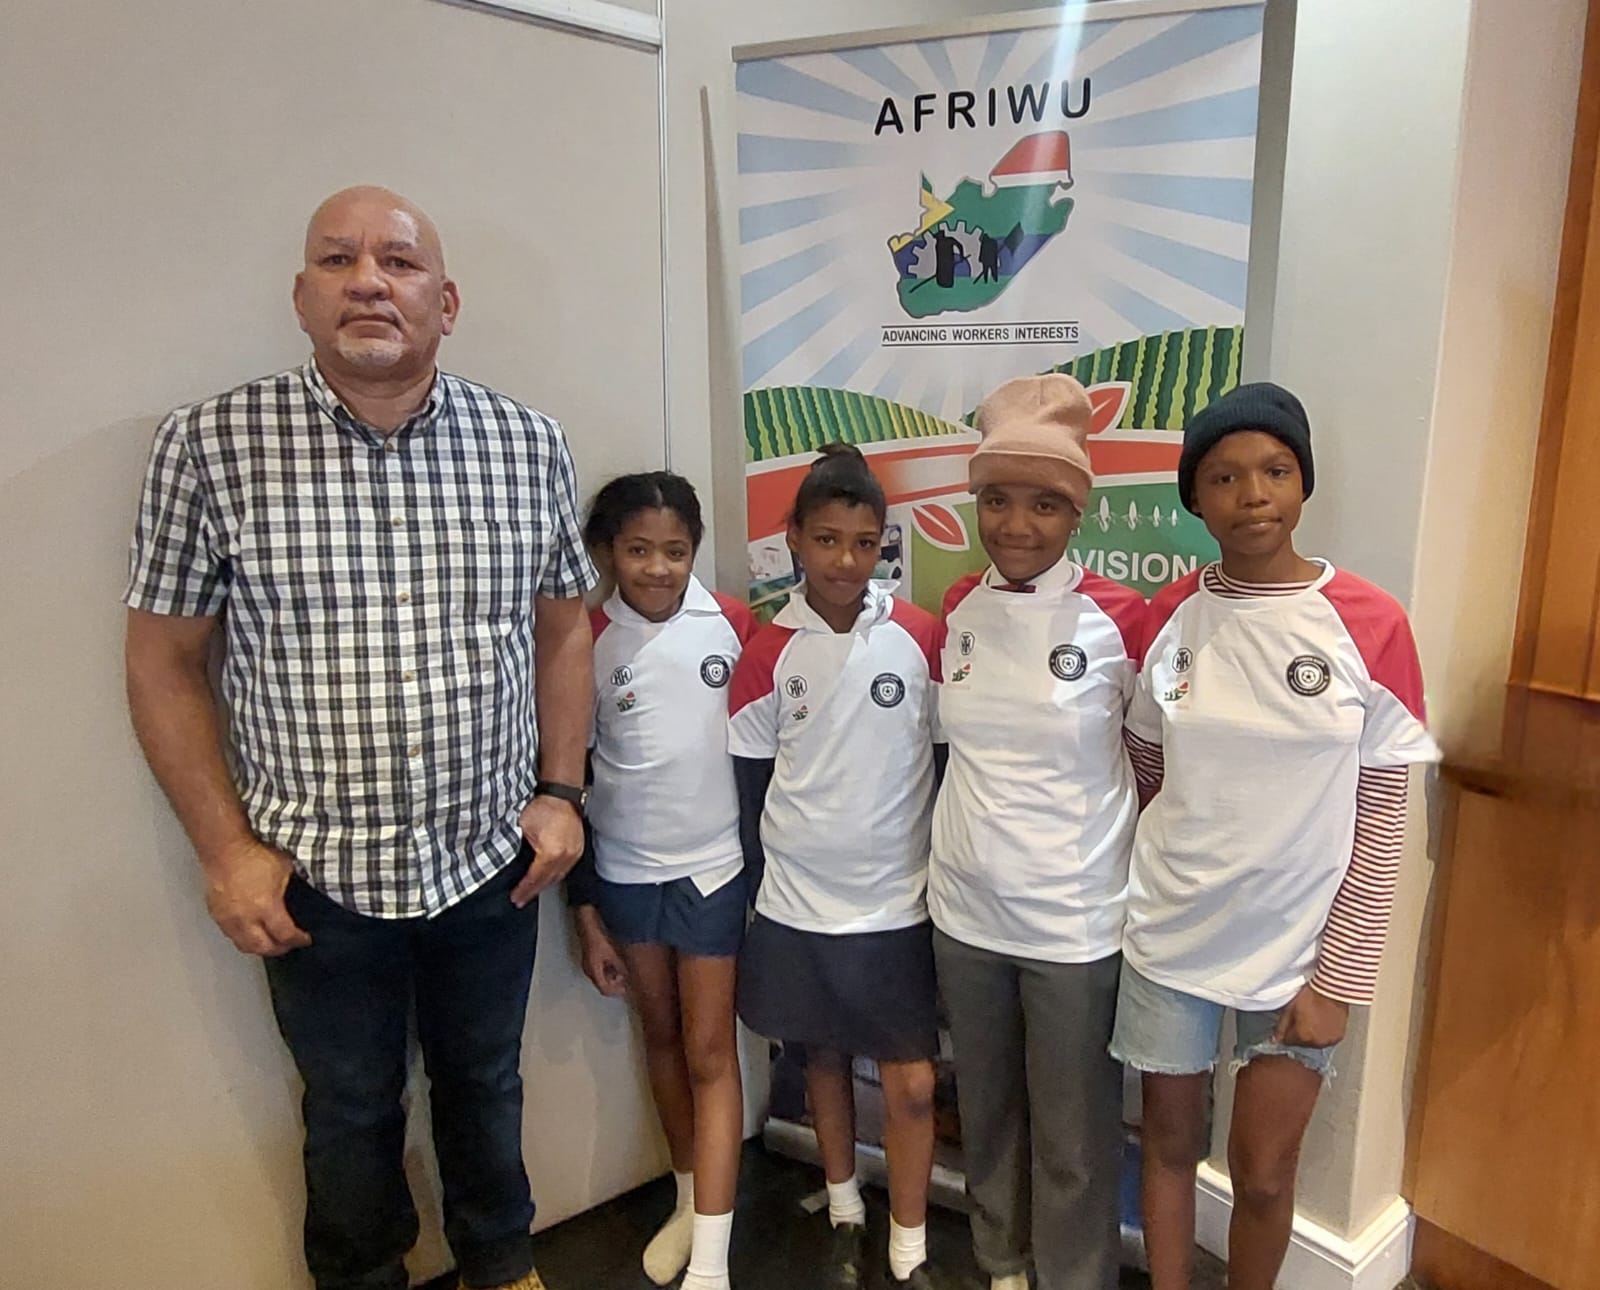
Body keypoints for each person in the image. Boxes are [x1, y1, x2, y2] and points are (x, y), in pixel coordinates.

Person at [122, 186, 597, 1290]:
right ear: (302, 297)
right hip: (312, 876)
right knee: (346, 1110)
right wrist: (225, 852)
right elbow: (162, 663)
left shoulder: (526, 443)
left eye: (399, 262)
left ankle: (501, 1264)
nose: (370, 281)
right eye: (338, 261)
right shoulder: (209, 447)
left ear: (447, 302)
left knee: (487, 1082)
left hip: (489, 859)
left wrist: (561, 793)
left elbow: (565, 627)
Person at [1113, 383, 1439, 1290]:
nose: (1252, 495)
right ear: (1194, 497)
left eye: (1275, 470)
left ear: (1303, 483)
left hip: (1299, 958)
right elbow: (1148, 764)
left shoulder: (1371, 624)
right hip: (1171, 939)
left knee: (1262, 1173)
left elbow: (1383, 819)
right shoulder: (1168, 616)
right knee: (1167, 1145)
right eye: (1223, 477)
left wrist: (1341, 975)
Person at [929, 374, 1145, 1290]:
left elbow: (1154, 762)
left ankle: (1073, 1278)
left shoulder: (1123, 620)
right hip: (965, 913)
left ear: (1077, 512)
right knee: (986, 1113)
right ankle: (1000, 1264)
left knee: (1074, 1136)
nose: (1017, 524)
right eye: (997, 500)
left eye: (1045, 504)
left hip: (1074, 922)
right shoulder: (955, 609)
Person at [728, 444, 949, 1290]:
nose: (846, 561)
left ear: (883, 542)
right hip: (798, 902)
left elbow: (945, 766)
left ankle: (910, 1245)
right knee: (818, 1057)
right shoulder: (767, 651)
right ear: (793, 538)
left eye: (864, 543)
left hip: (898, 903)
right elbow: (750, 787)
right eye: (827, 540)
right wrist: (758, 890)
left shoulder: (921, 637)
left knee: (913, 1083)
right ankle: (845, 1206)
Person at [566, 472, 754, 1290]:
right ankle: (687, 1202)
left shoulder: (733, 626)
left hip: (714, 870)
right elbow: (568, 775)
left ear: (694, 551)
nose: (658, 568)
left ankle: (712, 1256)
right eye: (638, 550)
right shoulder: (583, 637)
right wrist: (584, 910)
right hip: (624, 874)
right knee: (663, 1039)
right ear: (607, 552)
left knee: (711, 1049)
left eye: (675, 551)